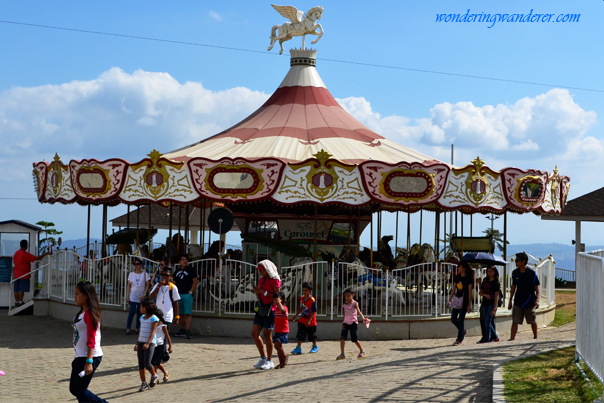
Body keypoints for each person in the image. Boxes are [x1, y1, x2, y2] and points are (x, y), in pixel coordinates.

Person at [69, 281, 108, 402]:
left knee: (80, 390)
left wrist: (89, 361)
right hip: (80, 355)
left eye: (77, 294)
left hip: (90, 356)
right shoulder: (81, 313)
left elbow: (91, 339)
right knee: (74, 389)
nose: (74, 297)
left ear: (86, 295)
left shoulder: (90, 314)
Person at [251, 260, 281, 370]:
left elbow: (276, 295)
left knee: (267, 334)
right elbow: (260, 295)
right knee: (254, 333)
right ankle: (262, 357)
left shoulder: (275, 280)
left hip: (270, 309)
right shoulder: (261, 280)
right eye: (260, 270)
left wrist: (262, 291)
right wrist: (257, 292)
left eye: (263, 270)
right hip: (261, 307)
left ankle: (269, 360)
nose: (261, 272)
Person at [508, 252, 541, 341]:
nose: (515, 262)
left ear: (523, 261)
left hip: (529, 301)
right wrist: (510, 300)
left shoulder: (531, 273)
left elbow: (537, 287)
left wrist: (537, 300)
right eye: (515, 260)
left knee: (532, 320)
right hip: (518, 300)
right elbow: (513, 286)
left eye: (517, 260)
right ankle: (512, 339)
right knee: (515, 320)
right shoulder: (515, 273)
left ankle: (535, 336)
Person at [12, 239, 50, 307]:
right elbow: (37, 258)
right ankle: (20, 302)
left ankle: (16, 302)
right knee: (21, 289)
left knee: (16, 289)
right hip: (23, 274)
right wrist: (45, 254)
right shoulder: (25, 254)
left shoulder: (16, 253)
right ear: (26, 246)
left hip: (16, 274)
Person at [135, 297, 161, 391]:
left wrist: (148, 343)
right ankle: (144, 383)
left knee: (147, 362)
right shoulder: (142, 317)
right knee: (141, 364)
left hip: (149, 343)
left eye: (141, 306)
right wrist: (137, 343)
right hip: (141, 342)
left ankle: (154, 375)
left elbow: (153, 332)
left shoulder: (154, 318)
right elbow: (141, 331)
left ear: (146, 307)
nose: (140, 308)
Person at [336, 288, 367, 360]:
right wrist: (343, 322)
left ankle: (362, 351)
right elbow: (344, 314)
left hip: (353, 322)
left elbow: (359, 312)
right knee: (342, 338)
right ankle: (342, 354)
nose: (347, 297)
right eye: (345, 296)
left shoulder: (355, 303)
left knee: (354, 339)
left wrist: (363, 319)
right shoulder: (344, 304)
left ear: (353, 295)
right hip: (345, 323)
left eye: (348, 296)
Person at [448, 261, 474, 346]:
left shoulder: (469, 278)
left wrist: (469, 305)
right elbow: (453, 288)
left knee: (461, 319)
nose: (458, 268)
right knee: (453, 318)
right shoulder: (457, 277)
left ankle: (459, 339)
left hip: (464, 301)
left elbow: (470, 292)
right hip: (457, 300)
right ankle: (463, 331)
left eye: (460, 267)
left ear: (464, 268)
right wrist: (450, 300)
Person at [173, 255, 198, 339]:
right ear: (179, 262)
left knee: (187, 313)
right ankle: (182, 329)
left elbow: (195, 281)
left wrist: (191, 291)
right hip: (178, 294)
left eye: (186, 259)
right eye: (183, 259)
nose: (185, 261)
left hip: (187, 294)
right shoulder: (177, 271)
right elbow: (174, 282)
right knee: (180, 313)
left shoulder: (191, 270)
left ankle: (188, 330)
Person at [291, 282, 318, 354]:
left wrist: (309, 321)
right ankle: (298, 348)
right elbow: (302, 307)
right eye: (303, 290)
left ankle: (315, 346)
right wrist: (296, 314)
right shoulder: (302, 298)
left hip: (311, 322)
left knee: (312, 335)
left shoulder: (312, 300)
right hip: (302, 319)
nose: (304, 292)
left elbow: (314, 311)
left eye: (306, 290)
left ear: (310, 291)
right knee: (300, 333)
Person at [125, 258, 151, 335]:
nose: (136, 266)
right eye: (135, 264)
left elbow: (147, 284)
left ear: (141, 265)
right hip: (133, 295)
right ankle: (128, 328)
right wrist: (127, 296)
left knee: (140, 313)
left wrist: (144, 294)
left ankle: (137, 328)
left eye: (137, 264)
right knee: (131, 312)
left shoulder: (145, 274)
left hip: (141, 296)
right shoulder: (131, 274)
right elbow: (128, 285)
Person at [478, 266, 500, 343]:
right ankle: (495, 337)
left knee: (488, 321)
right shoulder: (485, 280)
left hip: (491, 304)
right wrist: (485, 295)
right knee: (486, 321)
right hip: (484, 303)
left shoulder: (496, 283)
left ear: (494, 272)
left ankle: (487, 339)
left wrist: (494, 308)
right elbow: (480, 292)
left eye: (491, 271)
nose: (489, 273)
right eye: (488, 271)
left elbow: (497, 296)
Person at [151, 309, 173, 383]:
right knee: (152, 362)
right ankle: (155, 376)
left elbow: (167, 336)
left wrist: (170, 346)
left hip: (160, 345)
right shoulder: (152, 324)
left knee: (157, 362)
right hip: (153, 344)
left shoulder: (163, 326)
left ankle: (165, 372)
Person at [272, 292, 289, 369]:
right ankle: (281, 362)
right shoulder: (275, 309)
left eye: (276, 299)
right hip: (277, 330)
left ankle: (285, 357)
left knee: (277, 345)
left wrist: (278, 303)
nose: (274, 301)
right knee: (279, 347)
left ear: (281, 300)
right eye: (274, 299)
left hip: (283, 330)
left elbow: (283, 311)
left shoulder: (284, 308)